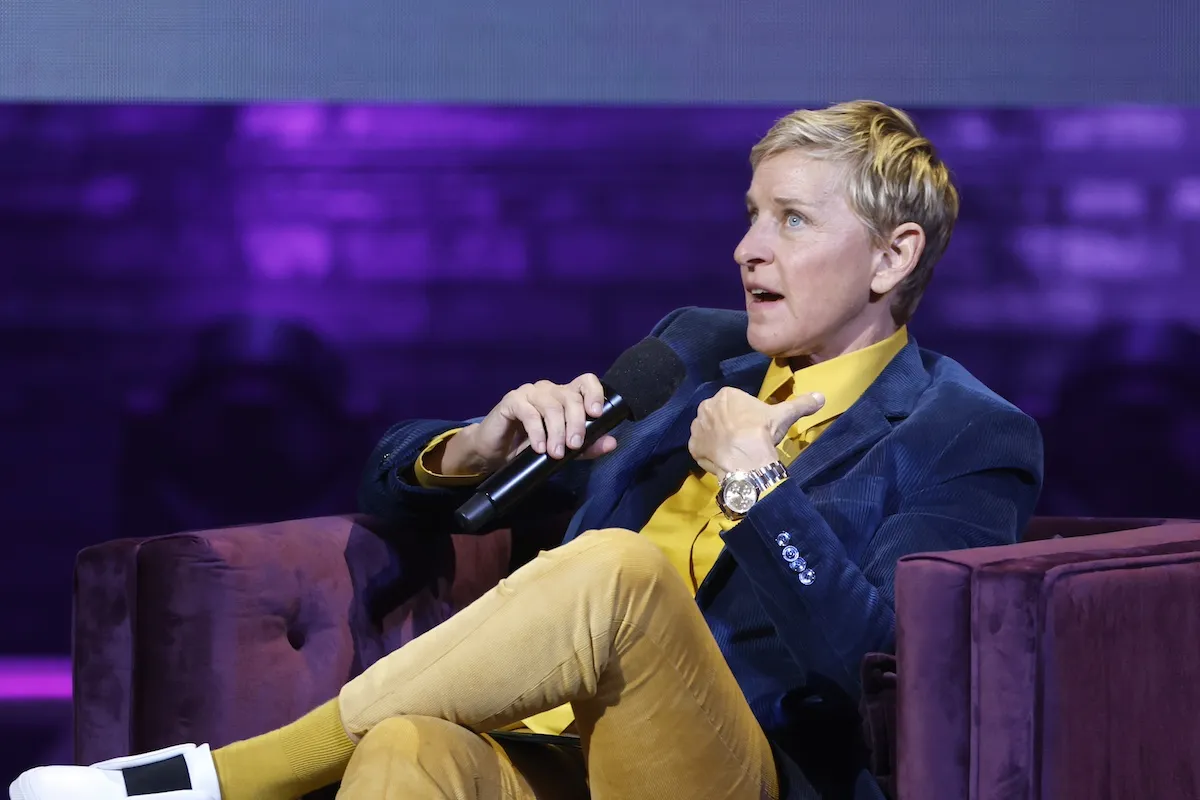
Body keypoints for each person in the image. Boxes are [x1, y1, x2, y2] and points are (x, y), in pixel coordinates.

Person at [12, 100, 1043, 800]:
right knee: (410, 746)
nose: (747, 248)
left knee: (622, 568)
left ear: (893, 255)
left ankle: (218, 781)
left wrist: (757, 486)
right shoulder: (693, 353)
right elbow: (402, 484)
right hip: (553, 743)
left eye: (790, 220)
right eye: (749, 215)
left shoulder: (967, 432)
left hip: (743, 767)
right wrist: (477, 446)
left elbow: (886, 670)